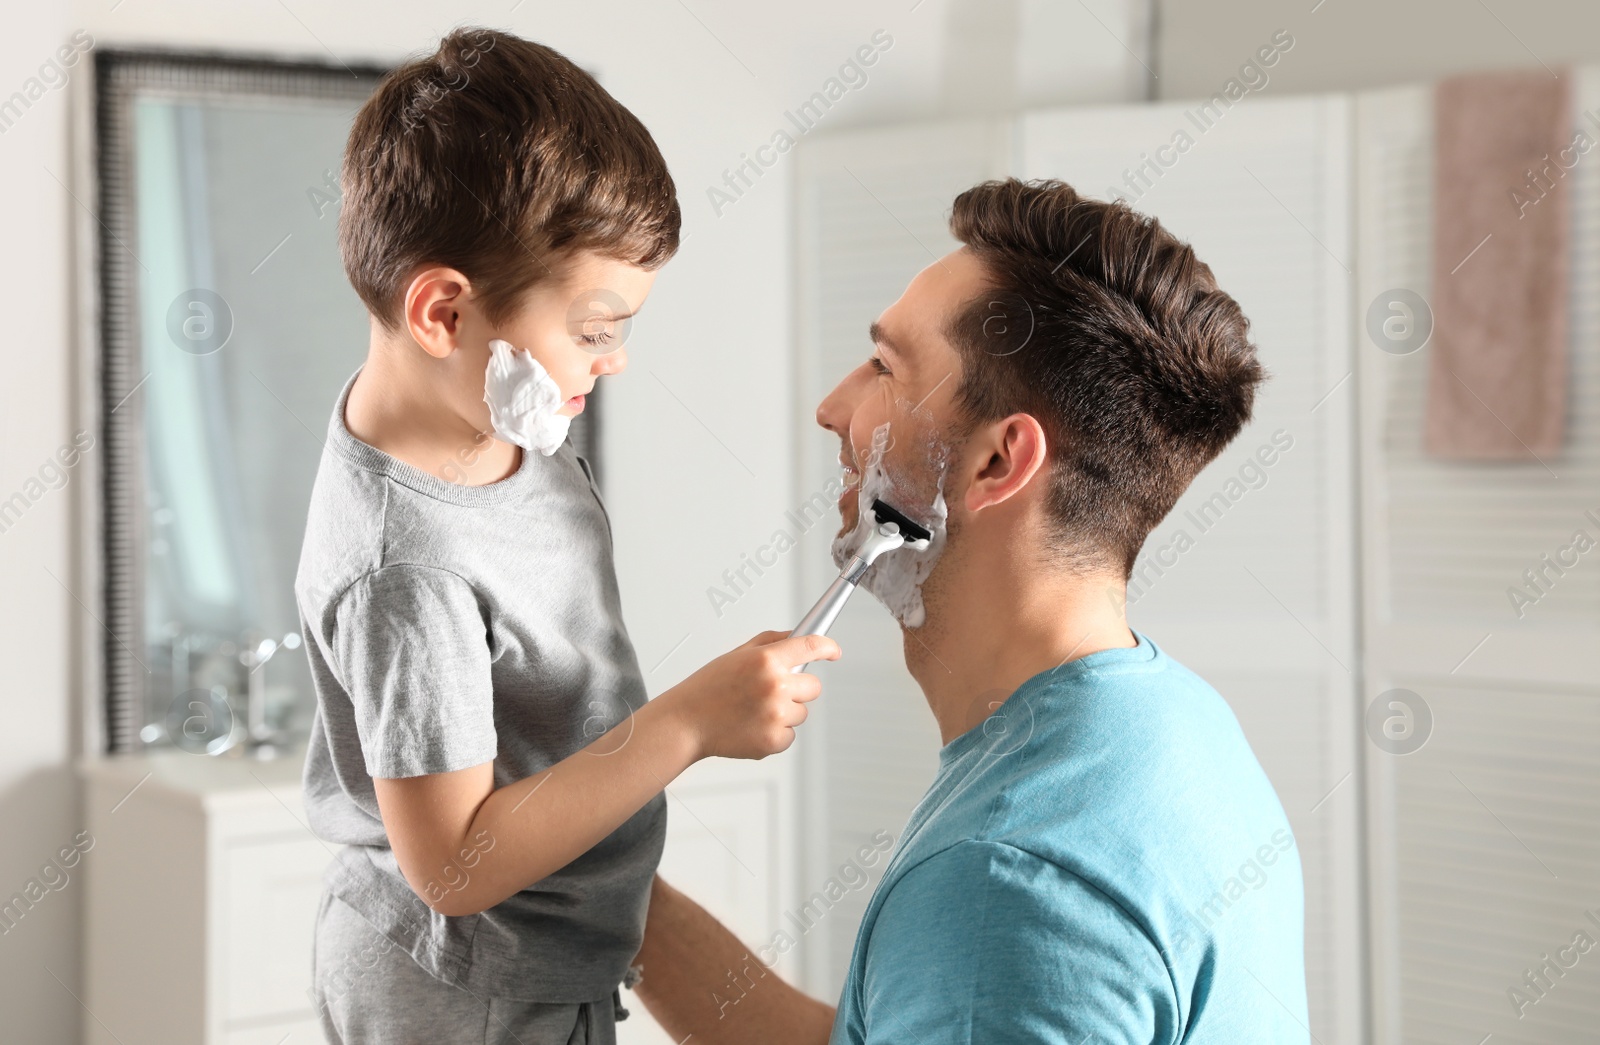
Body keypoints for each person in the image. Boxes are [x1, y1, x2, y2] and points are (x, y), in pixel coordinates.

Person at [631, 178, 1311, 1044]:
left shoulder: (1005, 884)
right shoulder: (1177, 726)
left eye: (884, 367)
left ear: (996, 462)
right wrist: (616, 892)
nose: (832, 409)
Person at [293, 28, 838, 1044]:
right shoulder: (405, 565)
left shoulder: (492, 422)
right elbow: (451, 867)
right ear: (444, 313)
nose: (615, 360)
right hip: (464, 988)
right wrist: (688, 723)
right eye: (595, 330)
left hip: (549, 952)